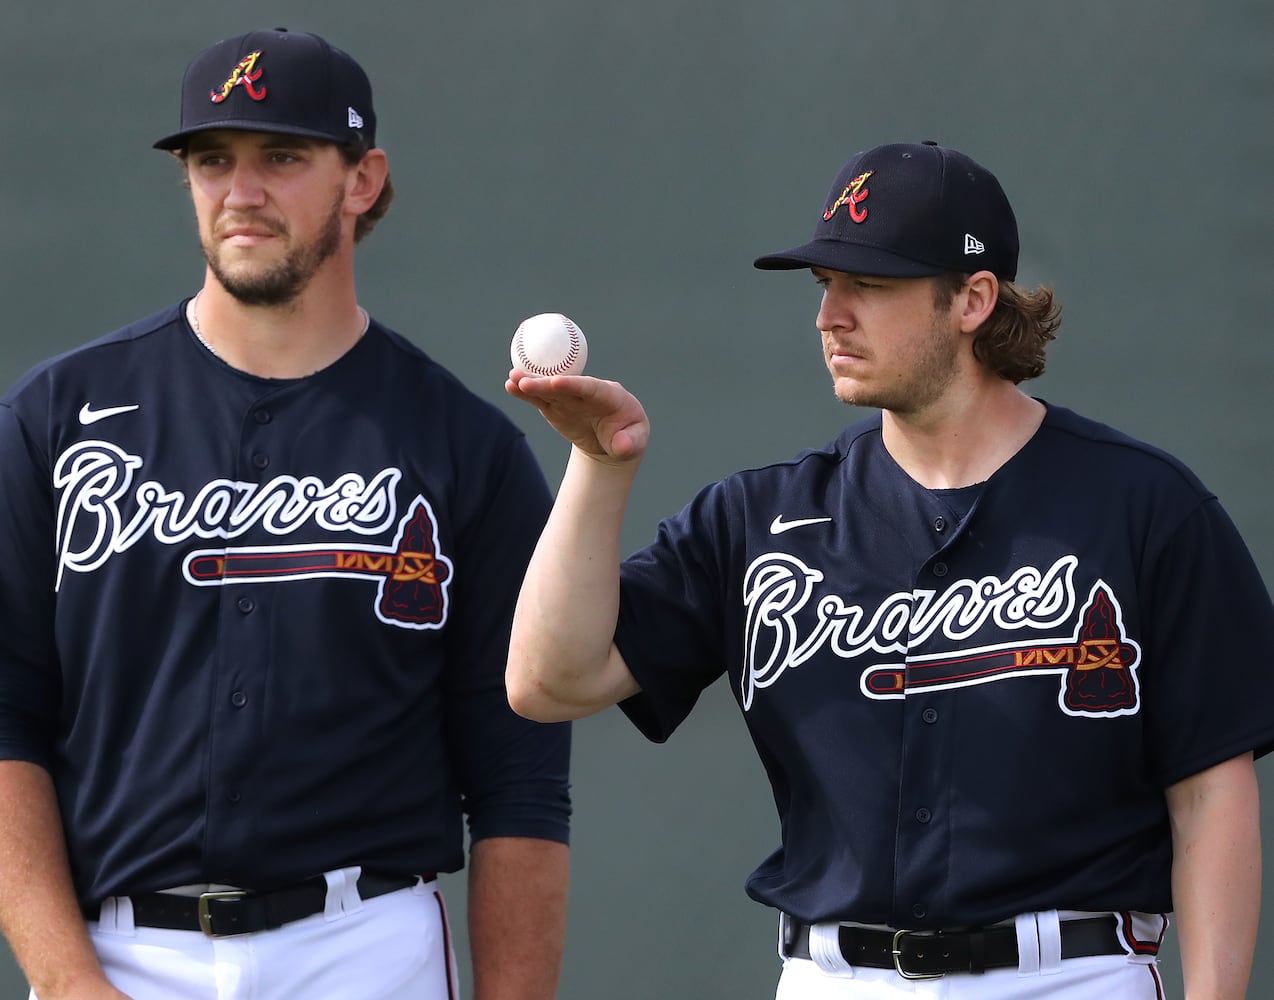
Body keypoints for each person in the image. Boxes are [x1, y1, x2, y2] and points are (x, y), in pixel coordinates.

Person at [503, 139, 1274, 998]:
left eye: (869, 284)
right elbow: (549, 681)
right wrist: (598, 469)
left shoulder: (1143, 506)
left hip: (1069, 975)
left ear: (973, 299)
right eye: (824, 285)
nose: (831, 315)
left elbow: (1212, 795)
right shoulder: (761, 520)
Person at [0, 27, 570, 1000]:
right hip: (124, 951)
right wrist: (65, 980)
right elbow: (8, 718)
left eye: (283, 156)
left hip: (363, 947)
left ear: (361, 178)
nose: (242, 191)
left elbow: (517, 778)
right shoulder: (55, 420)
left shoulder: (462, 446)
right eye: (212, 160)